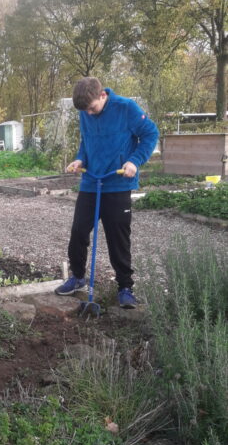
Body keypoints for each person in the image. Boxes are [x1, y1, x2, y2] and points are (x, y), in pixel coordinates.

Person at [55, 77, 159, 308]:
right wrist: (80, 158)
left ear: (103, 96)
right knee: (78, 233)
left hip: (118, 182)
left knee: (118, 239)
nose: (89, 114)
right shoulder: (86, 112)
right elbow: (86, 141)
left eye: (92, 108)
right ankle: (78, 277)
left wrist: (134, 161)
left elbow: (151, 134)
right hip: (91, 182)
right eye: (85, 111)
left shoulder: (126, 108)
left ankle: (125, 288)